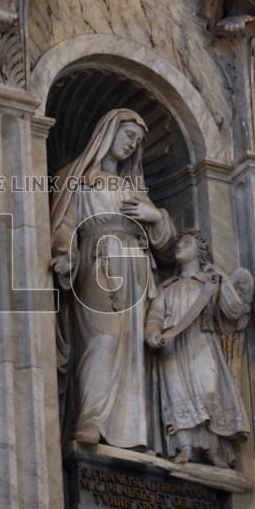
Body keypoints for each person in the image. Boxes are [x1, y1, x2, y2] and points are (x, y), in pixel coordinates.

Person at [50, 108, 175, 451]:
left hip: (136, 268)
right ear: (108, 133)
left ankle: (132, 432)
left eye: (136, 142)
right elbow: (63, 222)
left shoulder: (134, 189)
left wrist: (156, 216)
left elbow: (167, 246)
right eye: (127, 136)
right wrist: (65, 252)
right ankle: (91, 419)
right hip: (97, 262)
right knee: (102, 339)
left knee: (133, 346)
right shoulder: (75, 178)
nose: (131, 145)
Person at [144, 230, 252, 467]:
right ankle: (184, 447)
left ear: (200, 252)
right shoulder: (167, 288)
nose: (179, 245)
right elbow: (155, 315)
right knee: (177, 393)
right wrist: (153, 333)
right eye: (178, 243)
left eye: (187, 242)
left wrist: (222, 279)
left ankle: (212, 448)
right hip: (171, 346)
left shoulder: (210, 283)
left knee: (208, 389)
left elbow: (233, 311)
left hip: (202, 342)